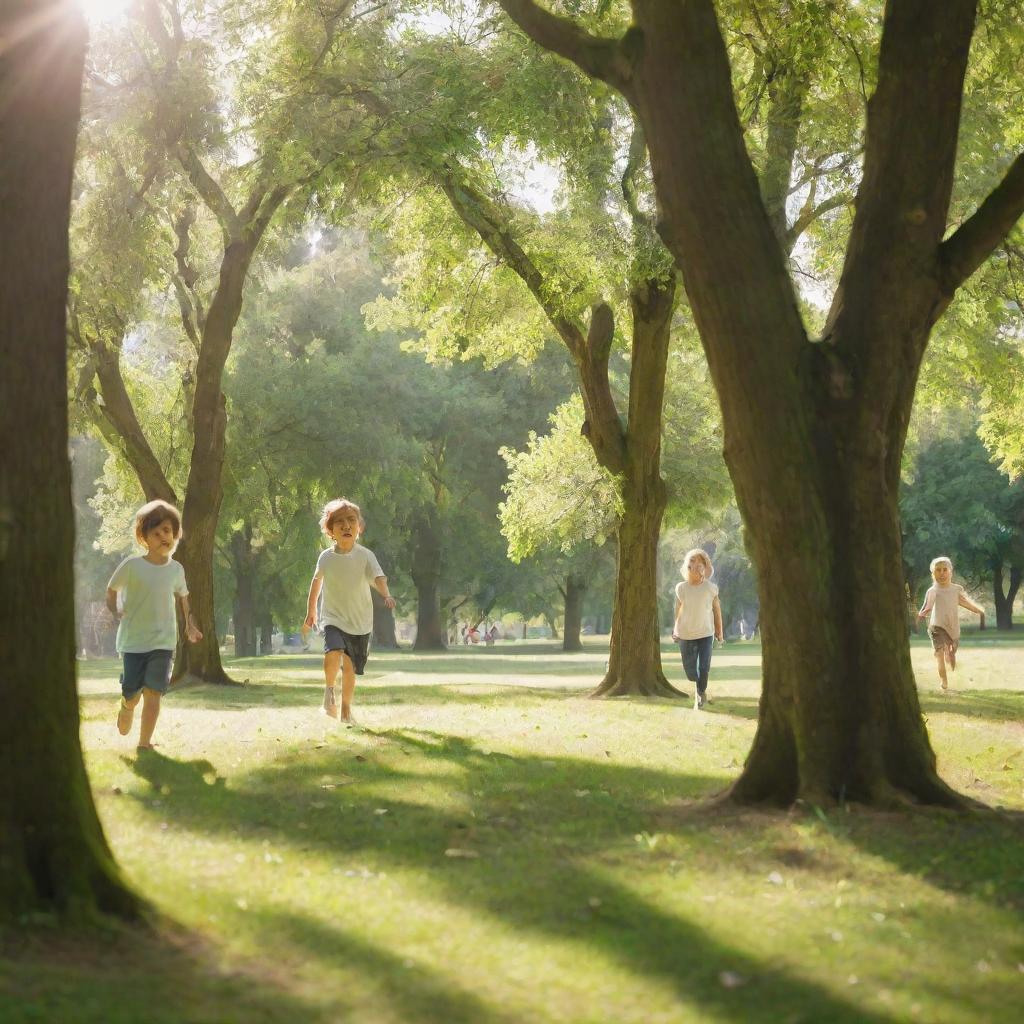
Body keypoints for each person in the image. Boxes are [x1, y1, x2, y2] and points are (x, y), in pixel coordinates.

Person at [106, 500, 203, 751]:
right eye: (156, 532)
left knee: (154, 692)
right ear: (144, 537)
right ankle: (126, 705)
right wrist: (115, 611)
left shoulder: (176, 570)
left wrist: (189, 626)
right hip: (133, 641)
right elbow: (111, 590)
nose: (163, 537)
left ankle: (144, 743)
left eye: (168, 531)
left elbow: (184, 599)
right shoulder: (131, 566)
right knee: (133, 692)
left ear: (175, 534)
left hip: (163, 642)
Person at [304, 498, 395, 725]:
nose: (346, 526)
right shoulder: (326, 557)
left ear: (359, 528)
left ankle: (346, 710)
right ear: (330, 530)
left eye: (351, 521)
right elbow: (316, 583)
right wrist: (311, 611)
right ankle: (328, 693)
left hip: (360, 621)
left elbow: (378, 577)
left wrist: (386, 594)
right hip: (333, 617)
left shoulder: (365, 555)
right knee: (333, 651)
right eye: (340, 522)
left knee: (351, 667)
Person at [917, 556, 984, 692]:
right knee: (940, 656)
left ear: (950, 572)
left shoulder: (956, 589)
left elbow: (964, 602)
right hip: (937, 627)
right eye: (938, 570)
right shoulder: (932, 591)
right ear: (933, 573)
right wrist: (920, 615)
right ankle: (944, 682)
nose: (941, 573)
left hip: (953, 628)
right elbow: (927, 607)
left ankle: (950, 653)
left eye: (944, 570)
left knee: (951, 651)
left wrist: (978, 610)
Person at [671, 548, 724, 710]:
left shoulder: (711, 588)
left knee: (704, 667)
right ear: (687, 566)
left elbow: (717, 611)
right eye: (692, 562)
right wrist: (675, 630)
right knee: (691, 672)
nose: (696, 566)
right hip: (685, 634)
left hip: (706, 633)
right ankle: (697, 684)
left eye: (700, 563)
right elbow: (678, 610)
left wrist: (719, 632)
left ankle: (701, 692)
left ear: (705, 568)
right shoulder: (681, 588)